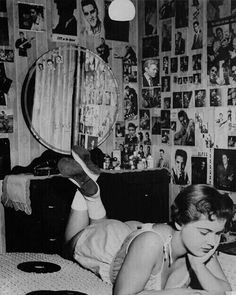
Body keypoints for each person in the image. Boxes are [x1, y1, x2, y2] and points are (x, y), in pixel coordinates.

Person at [57, 145, 234, 294]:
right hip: (110, 242)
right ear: (180, 222)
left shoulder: (202, 244)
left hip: (132, 236)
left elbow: (225, 291)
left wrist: (198, 267)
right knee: (69, 246)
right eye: (205, 232)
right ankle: (87, 195)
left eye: (218, 233)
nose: (212, 241)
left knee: (98, 226)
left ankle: (92, 190)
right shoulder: (151, 243)